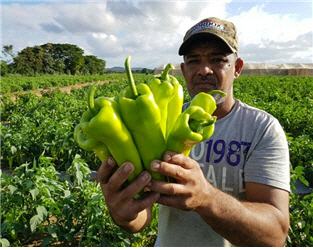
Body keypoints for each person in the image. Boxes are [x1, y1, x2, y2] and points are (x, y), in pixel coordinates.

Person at [97, 17, 290, 247]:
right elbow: (142, 216)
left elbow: (275, 235)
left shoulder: (261, 129)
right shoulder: (160, 119)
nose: (204, 70)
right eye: (193, 61)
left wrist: (207, 200)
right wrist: (123, 213)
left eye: (217, 60)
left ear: (237, 68)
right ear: (183, 69)